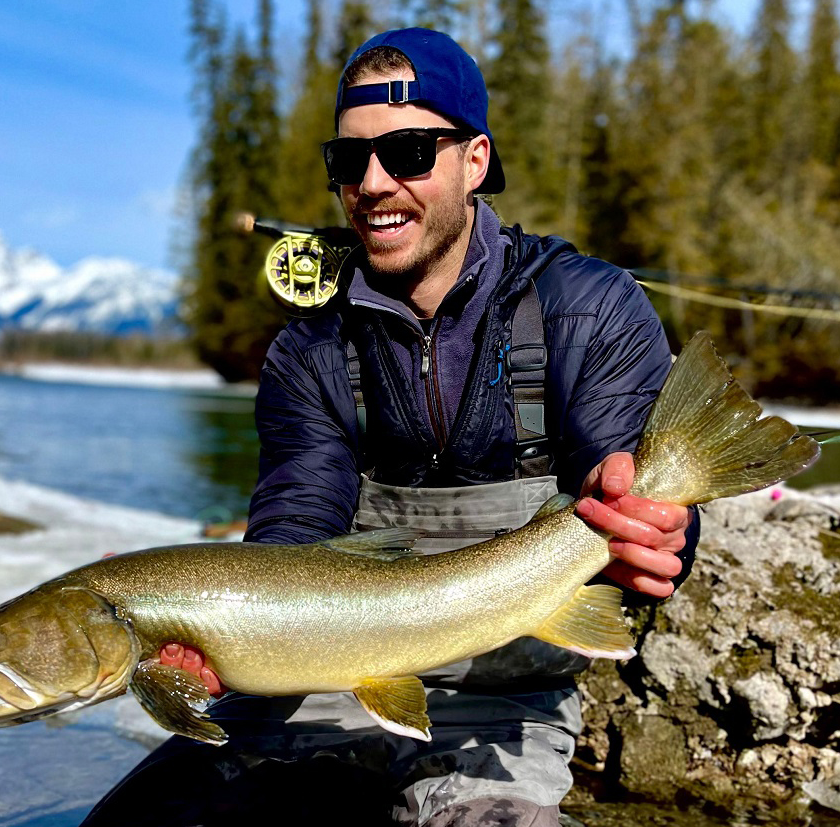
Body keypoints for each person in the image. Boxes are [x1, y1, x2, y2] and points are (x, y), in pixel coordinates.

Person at [82, 27, 697, 827]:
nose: (373, 183)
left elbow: (633, 486)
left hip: (498, 704)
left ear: (474, 160)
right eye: (349, 160)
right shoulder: (311, 347)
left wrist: (658, 537)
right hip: (314, 690)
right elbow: (296, 527)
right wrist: (220, 636)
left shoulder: (589, 307)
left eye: (407, 152)